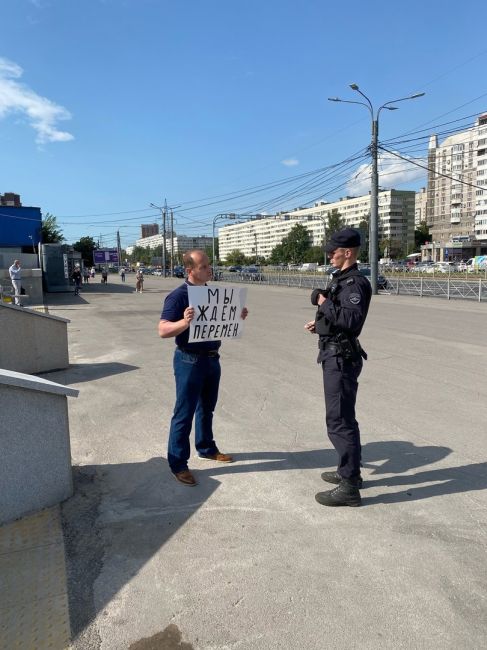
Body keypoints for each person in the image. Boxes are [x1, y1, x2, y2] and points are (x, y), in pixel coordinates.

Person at [158, 250, 248, 486]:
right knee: (184, 413)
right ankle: (178, 463)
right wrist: (184, 322)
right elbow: (163, 330)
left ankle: (206, 448)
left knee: (206, 409)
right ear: (190, 270)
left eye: (209, 265)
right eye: (204, 266)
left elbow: (219, 323)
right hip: (189, 360)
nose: (210, 269)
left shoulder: (214, 293)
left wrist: (236, 317)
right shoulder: (178, 297)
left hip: (211, 359)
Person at [304, 228, 371, 507]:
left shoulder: (355, 283)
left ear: (348, 252)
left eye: (333, 251)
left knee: (339, 421)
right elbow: (336, 318)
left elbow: (350, 321)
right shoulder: (340, 279)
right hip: (333, 353)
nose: (329, 255)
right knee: (342, 417)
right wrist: (318, 323)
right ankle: (349, 473)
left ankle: (349, 487)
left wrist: (323, 302)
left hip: (341, 359)